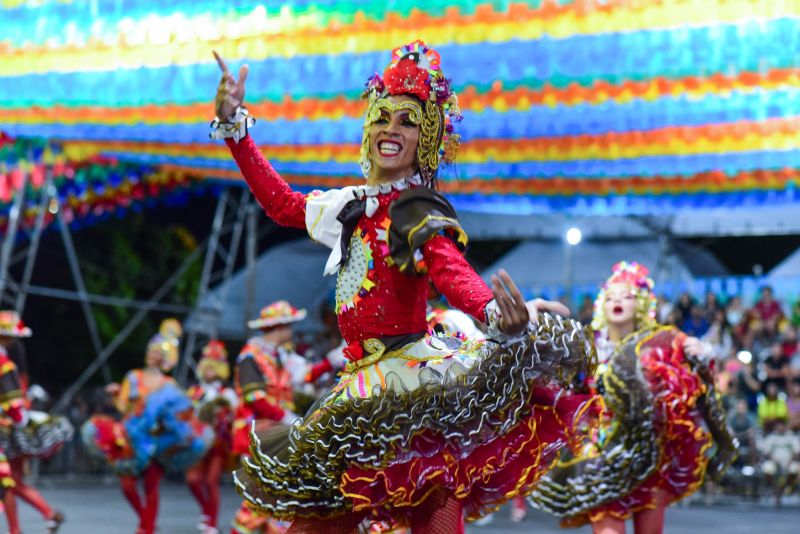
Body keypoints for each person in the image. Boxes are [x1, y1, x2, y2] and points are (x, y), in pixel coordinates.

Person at [212, 40, 598, 533]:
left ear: (428, 137)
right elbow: (281, 203)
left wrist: (493, 312)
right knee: (318, 521)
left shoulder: (415, 209)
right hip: (357, 387)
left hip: (414, 384)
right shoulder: (349, 206)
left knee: (435, 505)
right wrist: (236, 130)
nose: (390, 130)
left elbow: (450, 271)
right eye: (383, 117)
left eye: (408, 121)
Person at [529, 262, 736, 534]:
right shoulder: (587, 344)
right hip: (602, 453)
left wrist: (702, 349)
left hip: (649, 453)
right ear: (602, 303)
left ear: (638, 303)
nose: (617, 301)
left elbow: (700, 361)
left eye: (625, 296)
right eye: (611, 296)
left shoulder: (660, 339)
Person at [82, 319, 212, 534]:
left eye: (159, 353)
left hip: (157, 441)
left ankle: (147, 528)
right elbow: (124, 408)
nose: (154, 356)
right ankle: (145, 519)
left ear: (166, 359)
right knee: (127, 485)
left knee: (151, 486)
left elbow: (177, 415)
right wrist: (117, 395)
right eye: (152, 352)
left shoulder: (169, 386)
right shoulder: (133, 377)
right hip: (131, 439)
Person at [230, 301, 306, 534]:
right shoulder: (250, 358)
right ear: (280, 328)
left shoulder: (276, 357)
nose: (291, 332)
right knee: (261, 495)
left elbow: (299, 379)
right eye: (289, 326)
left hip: (275, 434)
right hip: (257, 436)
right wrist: (285, 415)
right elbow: (255, 397)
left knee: (272, 496)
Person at [0, 311, 72, 534]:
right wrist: (22, 422)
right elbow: (16, 406)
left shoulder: (8, 364)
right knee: (11, 482)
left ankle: (21, 527)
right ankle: (44, 516)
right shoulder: (6, 364)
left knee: (10, 482)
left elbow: (14, 404)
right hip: (7, 431)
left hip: (5, 433)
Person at [186, 340, 238, 534]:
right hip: (197, 443)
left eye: (213, 367)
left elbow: (235, 416)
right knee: (192, 479)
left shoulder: (228, 393)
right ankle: (207, 510)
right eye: (206, 367)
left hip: (218, 443)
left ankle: (212, 523)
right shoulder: (194, 392)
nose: (209, 371)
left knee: (211, 480)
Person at [758, 419, 800, 506]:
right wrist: (774, 459)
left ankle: (783, 489)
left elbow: (797, 452)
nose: (780, 428)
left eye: (782, 426)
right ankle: (774, 489)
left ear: (785, 427)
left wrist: (790, 461)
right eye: (778, 427)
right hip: (774, 461)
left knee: (795, 470)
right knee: (767, 469)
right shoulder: (771, 437)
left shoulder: (791, 437)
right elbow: (766, 452)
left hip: (789, 461)